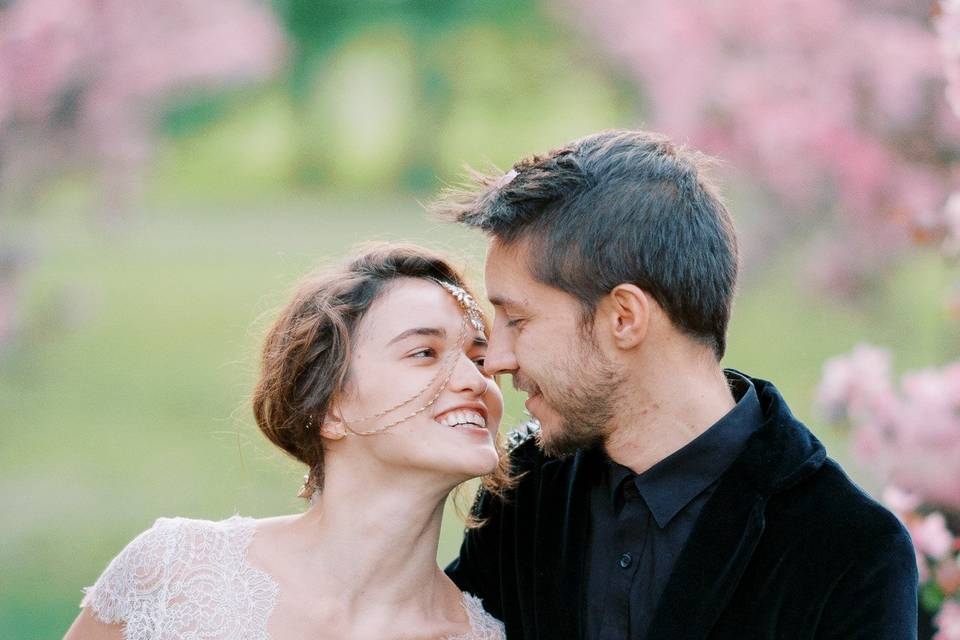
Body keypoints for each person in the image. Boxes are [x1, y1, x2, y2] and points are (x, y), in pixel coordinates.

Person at [436, 130, 919, 639]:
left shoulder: (850, 553)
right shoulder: (525, 494)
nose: (495, 360)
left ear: (624, 317)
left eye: (518, 320)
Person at [64, 244, 507, 640]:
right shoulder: (176, 572)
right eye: (424, 353)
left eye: (480, 358)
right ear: (331, 406)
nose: (476, 380)